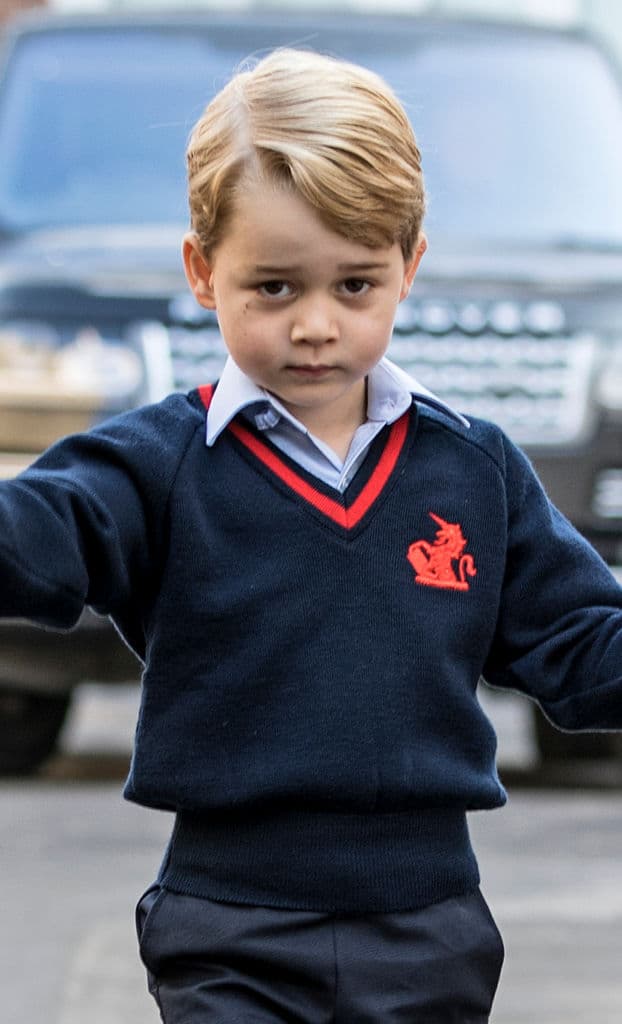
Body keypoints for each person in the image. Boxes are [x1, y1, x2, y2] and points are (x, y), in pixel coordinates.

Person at [1, 47, 622, 1023]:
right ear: (205, 271)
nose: (316, 326)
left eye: (355, 286)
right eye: (275, 288)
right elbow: (36, 534)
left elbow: (584, 647)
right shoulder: (160, 465)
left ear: (408, 268)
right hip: (228, 927)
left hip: (431, 930)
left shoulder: (475, 468)